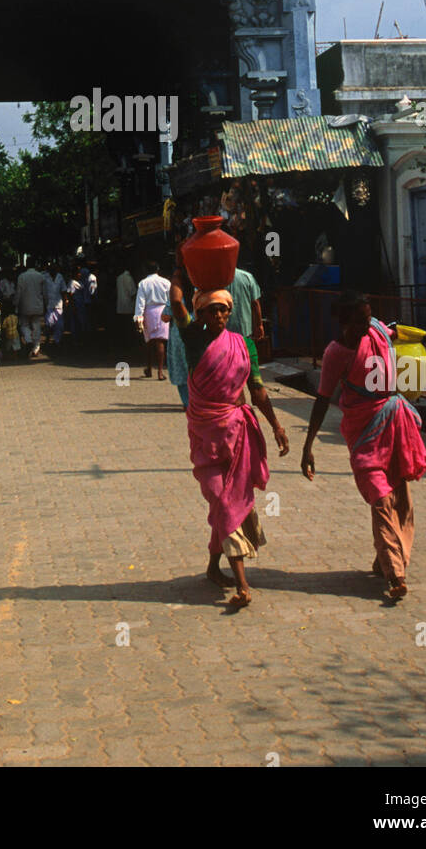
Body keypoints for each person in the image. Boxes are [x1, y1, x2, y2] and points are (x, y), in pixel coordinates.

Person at [301, 291, 426, 601]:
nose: (368, 325)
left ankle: (387, 561)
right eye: (361, 320)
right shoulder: (335, 354)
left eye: (369, 318)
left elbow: (399, 331)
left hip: (394, 424)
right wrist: (308, 447)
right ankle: (396, 574)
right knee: (380, 499)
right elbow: (323, 399)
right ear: (344, 322)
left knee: (400, 497)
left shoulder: (378, 329)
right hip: (363, 433)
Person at [175, 290, 289, 609]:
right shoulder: (195, 343)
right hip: (206, 439)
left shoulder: (244, 345)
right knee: (223, 501)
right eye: (212, 311)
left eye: (224, 310)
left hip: (238, 436)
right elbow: (177, 308)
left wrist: (277, 426)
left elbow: (257, 390)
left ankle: (215, 568)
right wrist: (178, 277)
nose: (220, 316)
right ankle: (242, 583)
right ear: (201, 315)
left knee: (224, 505)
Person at [161, 260, 193, 409]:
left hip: (179, 334)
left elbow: (165, 317)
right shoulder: (200, 292)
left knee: (181, 368)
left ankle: (187, 402)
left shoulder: (175, 298)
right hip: (198, 332)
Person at [133, 260, 171, 380]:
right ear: (158, 269)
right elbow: (171, 299)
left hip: (148, 312)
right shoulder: (166, 282)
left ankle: (149, 368)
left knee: (149, 341)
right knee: (160, 342)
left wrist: (138, 317)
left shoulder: (143, 283)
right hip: (163, 311)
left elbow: (140, 301)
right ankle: (160, 372)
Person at [228, 266, 264, 383]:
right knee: (253, 377)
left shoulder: (216, 279)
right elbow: (255, 304)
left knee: (230, 376)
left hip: (224, 337)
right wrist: (259, 325)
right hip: (245, 334)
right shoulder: (247, 277)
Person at [16, 256, 46, 358]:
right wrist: (46, 303)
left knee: (24, 325)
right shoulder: (40, 276)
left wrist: (16, 304)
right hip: (38, 305)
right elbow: (44, 293)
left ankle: (28, 340)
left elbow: (18, 293)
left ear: (26, 264)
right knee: (36, 326)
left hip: (25, 305)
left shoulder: (21, 277)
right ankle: (36, 348)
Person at [43, 261, 67, 349]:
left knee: (59, 325)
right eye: (51, 269)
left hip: (58, 304)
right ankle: (48, 339)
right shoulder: (45, 277)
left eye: (55, 269)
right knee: (49, 323)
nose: (53, 270)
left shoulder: (60, 277)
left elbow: (64, 290)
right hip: (49, 304)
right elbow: (43, 291)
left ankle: (57, 341)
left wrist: (66, 300)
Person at [115, 263, 137, 345]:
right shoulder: (128, 278)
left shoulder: (119, 278)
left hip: (120, 306)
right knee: (129, 327)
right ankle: (129, 343)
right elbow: (133, 292)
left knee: (123, 326)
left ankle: (123, 342)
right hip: (128, 306)